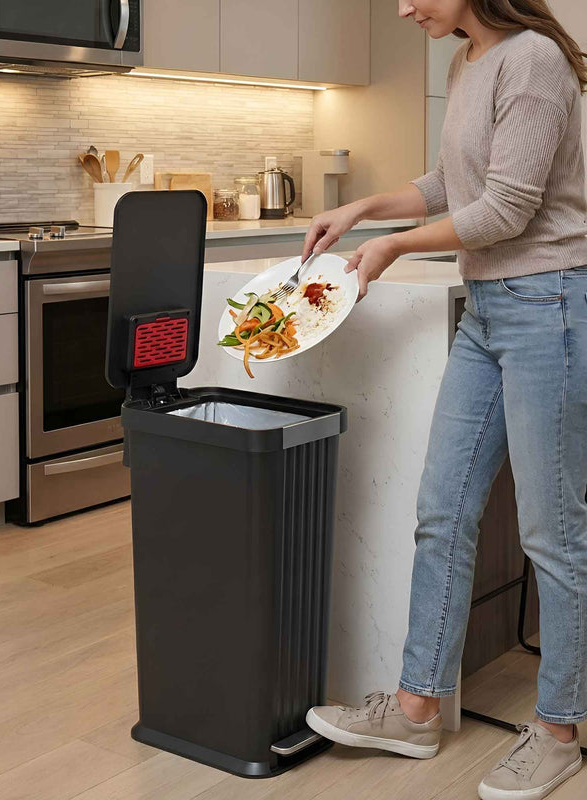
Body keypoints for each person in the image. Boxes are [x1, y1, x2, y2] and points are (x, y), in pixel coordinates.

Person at [302, 2, 587, 798]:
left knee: (553, 533)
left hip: (549, 306)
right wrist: (362, 209)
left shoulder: (533, 59)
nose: (402, 7)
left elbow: (507, 209)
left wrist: (390, 246)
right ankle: (416, 710)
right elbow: (450, 186)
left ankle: (559, 728)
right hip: (490, 311)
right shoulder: (468, 63)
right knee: (443, 511)